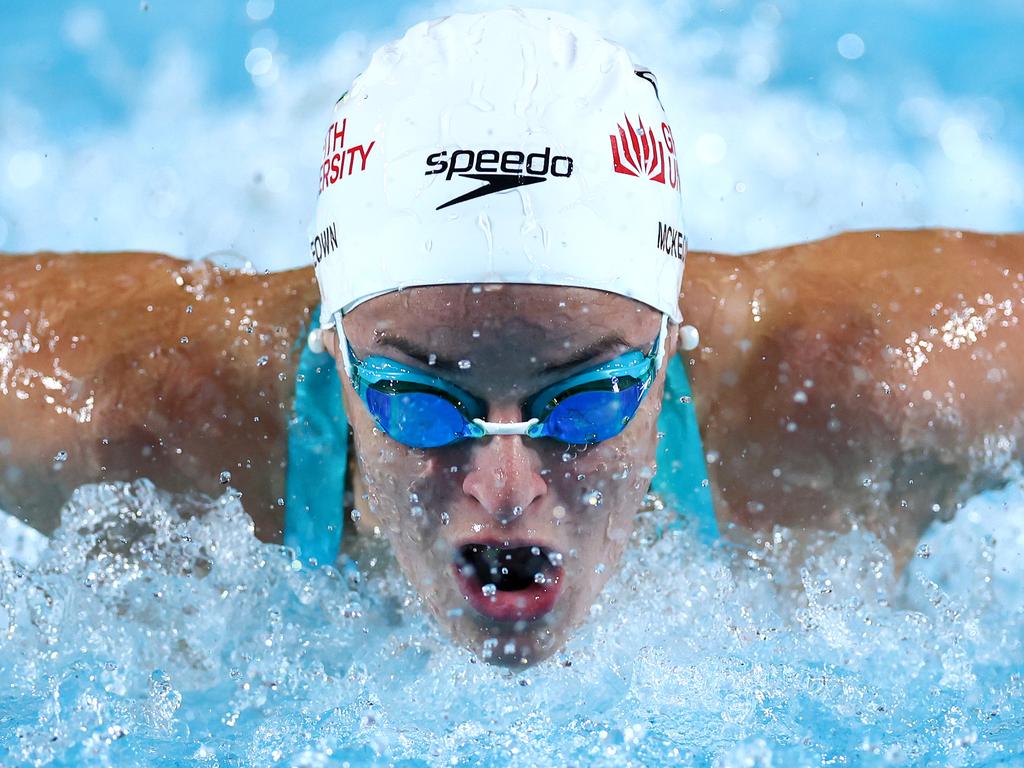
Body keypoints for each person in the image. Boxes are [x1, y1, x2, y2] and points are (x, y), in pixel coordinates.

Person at [1, 10, 1022, 666]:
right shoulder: (130, 416)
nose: (504, 485)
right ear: (335, 353)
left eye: (588, 398)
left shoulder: (857, 387)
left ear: (670, 350)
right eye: (416, 399)